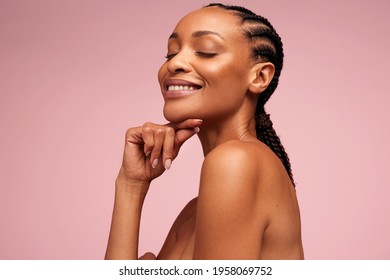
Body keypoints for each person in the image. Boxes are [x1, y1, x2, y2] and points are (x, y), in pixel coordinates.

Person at [105, 3, 304, 260]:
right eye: (170, 53)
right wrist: (131, 185)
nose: (175, 63)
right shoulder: (192, 212)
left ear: (259, 77)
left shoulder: (236, 161)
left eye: (206, 51)